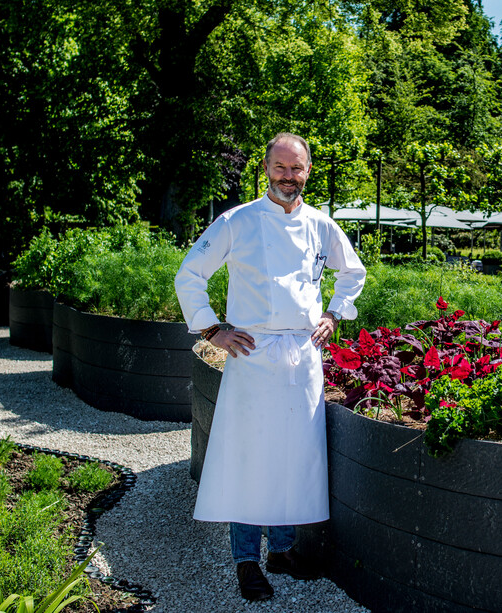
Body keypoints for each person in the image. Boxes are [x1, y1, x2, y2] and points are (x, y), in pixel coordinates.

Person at [174, 132, 366, 602]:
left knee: (293, 459)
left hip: (303, 357)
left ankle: (281, 550)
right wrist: (211, 329)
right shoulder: (236, 222)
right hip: (253, 355)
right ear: (266, 169)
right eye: (280, 167)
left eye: (296, 168)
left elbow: (353, 273)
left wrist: (333, 313)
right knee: (250, 460)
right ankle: (246, 562)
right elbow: (189, 275)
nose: (288, 177)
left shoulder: (322, 226)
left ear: (308, 171)